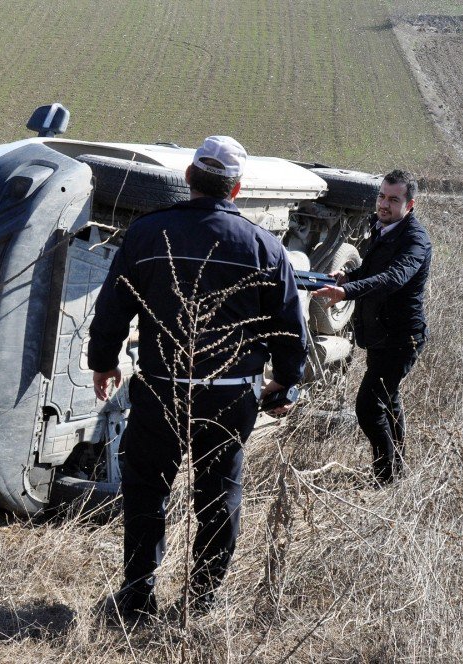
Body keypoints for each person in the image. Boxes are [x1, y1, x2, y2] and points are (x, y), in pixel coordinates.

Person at [88, 136, 307, 622]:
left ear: (188, 178)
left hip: (161, 389)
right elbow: (291, 328)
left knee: (147, 489)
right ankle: (202, 600)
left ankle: (137, 597)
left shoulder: (147, 235)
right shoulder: (265, 247)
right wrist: (285, 382)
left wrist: (103, 362)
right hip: (231, 398)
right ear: (239, 189)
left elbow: (111, 309)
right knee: (220, 492)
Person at [313, 170, 431, 486]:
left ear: (410, 204)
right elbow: (372, 269)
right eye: (382, 196)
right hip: (383, 335)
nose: (384, 204)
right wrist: (348, 278)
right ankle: (397, 470)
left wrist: (348, 291)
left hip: (401, 337)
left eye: (394, 199)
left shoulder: (414, 240)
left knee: (367, 406)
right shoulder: (382, 229)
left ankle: (384, 475)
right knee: (388, 400)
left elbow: (393, 277)